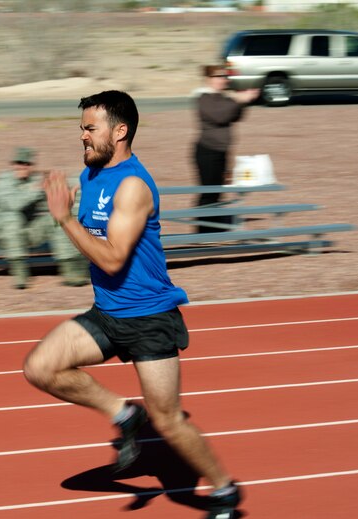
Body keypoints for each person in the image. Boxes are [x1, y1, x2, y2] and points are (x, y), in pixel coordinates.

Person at [23, 91, 242, 518]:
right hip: (108, 311)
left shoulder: (134, 185)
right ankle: (125, 416)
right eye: (82, 127)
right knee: (40, 367)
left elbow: (111, 256)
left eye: (91, 127)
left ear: (119, 131)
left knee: (170, 422)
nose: (82, 134)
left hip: (150, 317)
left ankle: (224, 492)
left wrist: (64, 218)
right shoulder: (91, 176)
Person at [0, 147, 88, 289]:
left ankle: (71, 270)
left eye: (26, 164)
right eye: (19, 163)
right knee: (12, 217)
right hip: (2, 234)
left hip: (26, 233)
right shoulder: (4, 180)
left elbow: (57, 197)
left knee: (57, 220)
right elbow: (12, 205)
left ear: (31, 166)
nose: (22, 167)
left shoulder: (36, 179)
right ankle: (19, 272)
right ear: (13, 164)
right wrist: (34, 190)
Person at [192, 65, 260, 233]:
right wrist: (239, 100)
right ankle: (203, 230)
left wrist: (245, 101)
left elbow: (236, 115)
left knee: (218, 192)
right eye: (219, 77)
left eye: (224, 77)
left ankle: (214, 227)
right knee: (208, 192)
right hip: (207, 151)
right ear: (209, 79)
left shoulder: (224, 98)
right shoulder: (203, 98)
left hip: (222, 151)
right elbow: (220, 116)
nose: (223, 80)